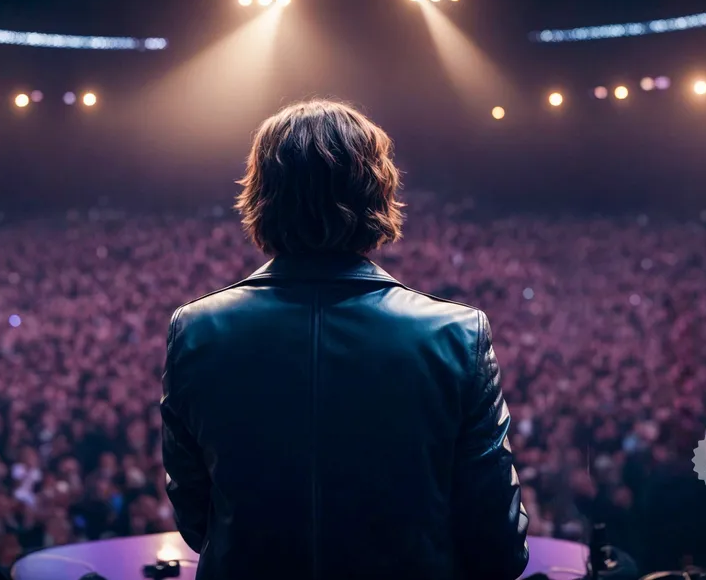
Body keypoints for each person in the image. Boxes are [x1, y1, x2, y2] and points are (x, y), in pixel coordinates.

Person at [161, 99, 529, 580]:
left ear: (261, 197)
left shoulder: (196, 329)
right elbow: (497, 540)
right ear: (377, 194)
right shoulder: (457, 334)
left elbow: (196, 516)